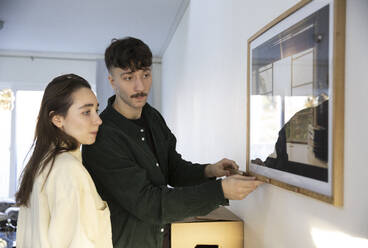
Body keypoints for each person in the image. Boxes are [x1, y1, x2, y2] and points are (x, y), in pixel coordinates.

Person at [82, 37, 263, 248]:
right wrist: (219, 191)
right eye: (129, 78)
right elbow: (148, 204)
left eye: (146, 75)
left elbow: (172, 168)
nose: (140, 86)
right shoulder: (103, 137)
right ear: (112, 81)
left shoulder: (152, 117)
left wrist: (209, 171)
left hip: (160, 239)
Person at [15, 74, 112, 248]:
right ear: (57, 119)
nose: (98, 120)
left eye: (96, 110)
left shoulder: (41, 163)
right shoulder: (68, 170)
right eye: (86, 112)